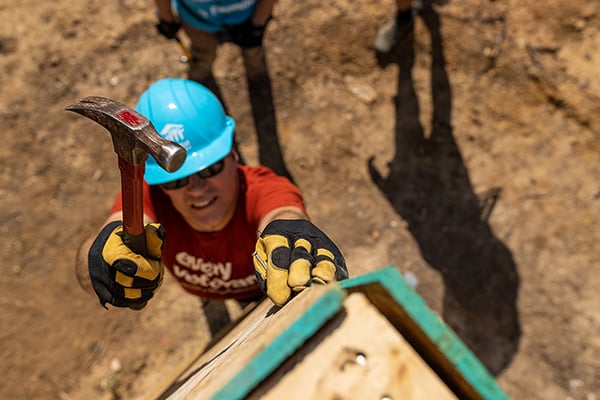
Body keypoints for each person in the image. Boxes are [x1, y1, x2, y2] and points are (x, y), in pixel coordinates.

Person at [75, 78, 348, 329]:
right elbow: (107, 238)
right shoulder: (148, 197)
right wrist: (99, 262)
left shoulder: (261, 188)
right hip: (207, 287)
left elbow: (283, 211)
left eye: (209, 169)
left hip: (264, 287)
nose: (196, 189)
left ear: (234, 154)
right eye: (176, 180)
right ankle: (210, 298)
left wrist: (290, 230)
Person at [154, 0, 276, 88]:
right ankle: (199, 79)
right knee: (203, 53)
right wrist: (167, 18)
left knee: (253, 51)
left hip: (248, 17)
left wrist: (258, 22)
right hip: (197, 20)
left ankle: (257, 76)